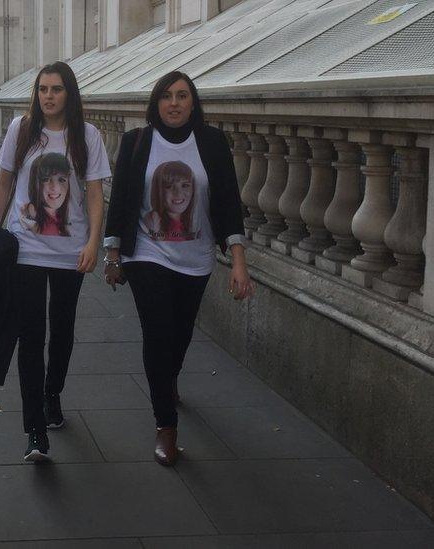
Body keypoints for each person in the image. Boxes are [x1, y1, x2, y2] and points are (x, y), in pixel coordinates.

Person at [103, 71, 253, 466]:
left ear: (193, 102)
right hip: (146, 255)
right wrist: (113, 255)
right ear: (156, 102)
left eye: (182, 96)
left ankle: (167, 380)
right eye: (167, 96)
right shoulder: (137, 142)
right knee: (158, 333)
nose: (174, 103)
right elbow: (120, 201)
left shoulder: (212, 143)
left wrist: (238, 260)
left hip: (196, 258)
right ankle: (165, 426)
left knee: (180, 336)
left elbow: (227, 203)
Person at [0, 61, 110, 462]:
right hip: (25, 249)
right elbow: (4, 181)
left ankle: (52, 391)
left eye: (56, 89)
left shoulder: (86, 136)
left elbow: (94, 193)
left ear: (69, 94)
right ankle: (35, 430)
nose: (48, 96)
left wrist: (94, 241)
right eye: (42, 89)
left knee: (62, 330)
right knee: (30, 336)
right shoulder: (21, 130)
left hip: (70, 252)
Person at [19, 152, 72, 236]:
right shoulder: (32, 214)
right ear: (34, 183)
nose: (55, 187)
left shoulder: (62, 214)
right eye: (46, 179)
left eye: (61, 180)